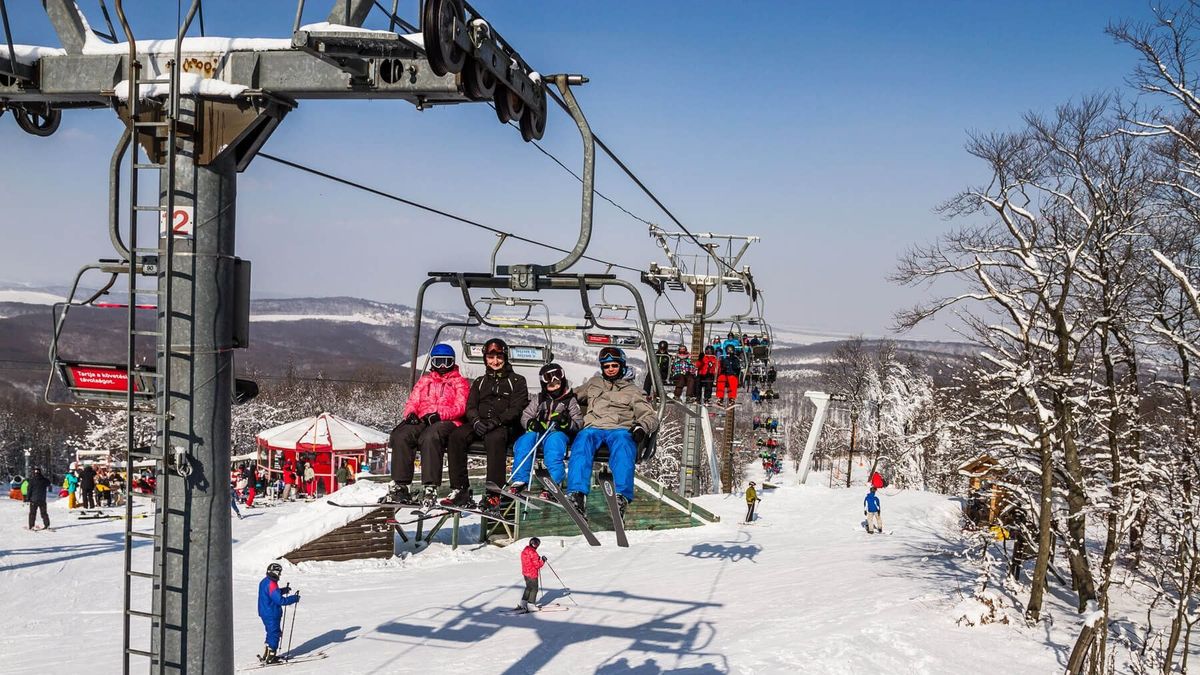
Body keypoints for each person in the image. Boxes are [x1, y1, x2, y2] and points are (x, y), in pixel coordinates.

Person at [566, 346, 660, 520]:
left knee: (624, 444)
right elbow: (569, 396)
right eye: (606, 366)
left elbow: (650, 416)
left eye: (614, 366)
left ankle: (621, 496)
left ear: (622, 366)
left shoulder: (634, 391)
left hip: (619, 429)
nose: (610, 370)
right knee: (582, 440)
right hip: (593, 427)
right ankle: (577, 494)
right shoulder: (594, 384)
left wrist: (641, 427)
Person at [383, 343, 470, 505]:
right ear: (432, 362)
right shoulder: (425, 381)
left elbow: (461, 407)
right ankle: (401, 486)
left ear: (453, 362)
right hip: (423, 418)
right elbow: (413, 401)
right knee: (401, 435)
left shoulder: (459, 382)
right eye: (438, 362)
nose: (442, 366)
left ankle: (430, 486)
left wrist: (440, 415)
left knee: (430, 437)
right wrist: (410, 415)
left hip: (448, 420)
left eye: (447, 361)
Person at [446, 338, 529, 509]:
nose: (495, 361)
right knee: (456, 436)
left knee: (494, 439)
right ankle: (460, 488)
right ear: (485, 359)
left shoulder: (517, 381)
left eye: (499, 357)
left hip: (504, 425)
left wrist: (497, 421)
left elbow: (517, 408)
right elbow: (470, 406)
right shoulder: (480, 381)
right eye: (491, 357)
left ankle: (494, 493)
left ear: (505, 357)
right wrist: (475, 421)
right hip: (480, 422)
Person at [508, 363, 583, 497]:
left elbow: (578, 422)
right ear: (545, 386)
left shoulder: (570, 400)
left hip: (558, 433)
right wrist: (531, 423)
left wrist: (565, 423)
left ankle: (554, 481)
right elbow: (526, 415)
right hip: (539, 432)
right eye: (550, 386)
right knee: (525, 441)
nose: (555, 388)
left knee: (554, 445)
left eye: (557, 384)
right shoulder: (539, 399)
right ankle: (520, 479)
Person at [258, 562, 300, 664]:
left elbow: (272, 594)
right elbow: (280, 601)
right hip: (271, 613)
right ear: (275, 572)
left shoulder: (265, 581)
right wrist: (294, 598)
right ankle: (271, 657)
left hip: (265, 612)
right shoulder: (272, 584)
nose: (280, 575)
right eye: (279, 573)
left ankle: (267, 653)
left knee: (271, 632)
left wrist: (283, 590)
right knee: (275, 633)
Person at [517, 536, 547, 612]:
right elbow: (537, 565)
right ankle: (531, 605)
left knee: (528, 588)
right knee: (534, 589)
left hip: (526, 573)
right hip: (532, 573)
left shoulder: (525, 550)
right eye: (536, 544)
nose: (537, 546)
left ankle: (523, 603)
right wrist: (542, 561)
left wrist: (538, 559)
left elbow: (530, 560)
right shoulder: (533, 553)